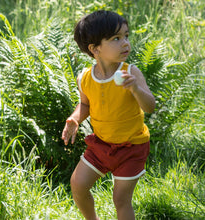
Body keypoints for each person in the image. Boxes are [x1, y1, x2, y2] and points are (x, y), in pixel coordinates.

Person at [62, 10, 156, 220]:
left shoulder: (131, 72)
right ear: (95, 49)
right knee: (78, 184)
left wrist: (136, 90)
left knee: (120, 199)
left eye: (126, 36)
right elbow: (85, 105)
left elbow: (150, 106)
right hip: (102, 144)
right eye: (116, 38)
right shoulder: (85, 78)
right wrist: (75, 118)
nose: (125, 43)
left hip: (132, 147)